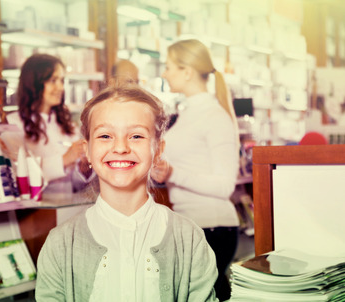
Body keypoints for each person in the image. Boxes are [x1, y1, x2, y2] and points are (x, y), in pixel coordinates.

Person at [35, 84, 219, 301]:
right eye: (105, 136)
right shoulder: (61, 244)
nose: (120, 147)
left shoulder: (189, 238)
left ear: (157, 150)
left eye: (136, 136)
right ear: (87, 150)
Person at [151, 39, 240, 301]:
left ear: (187, 71)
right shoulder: (188, 112)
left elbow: (225, 185)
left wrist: (173, 174)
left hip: (214, 227)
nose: (164, 73)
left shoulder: (215, 116)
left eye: (168, 67)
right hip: (194, 225)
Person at [0, 53, 96, 223]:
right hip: (34, 217)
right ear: (34, 84)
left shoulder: (68, 126)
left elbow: (75, 184)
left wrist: (84, 168)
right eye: (53, 80)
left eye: (61, 80)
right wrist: (65, 159)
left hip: (70, 211)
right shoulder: (13, 124)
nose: (60, 87)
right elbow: (19, 177)